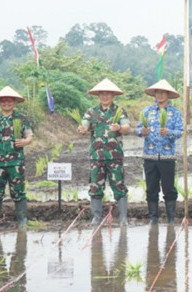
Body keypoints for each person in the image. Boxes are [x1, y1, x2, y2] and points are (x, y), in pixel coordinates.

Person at [78, 78, 131, 226]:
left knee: (119, 186)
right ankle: (96, 217)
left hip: (114, 157)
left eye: (108, 93)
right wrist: (82, 129)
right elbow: (84, 124)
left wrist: (119, 128)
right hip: (96, 157)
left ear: (113, 95)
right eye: (102, 93)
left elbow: (127, 127)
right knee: (95, 186)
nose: (105, 96)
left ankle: (123, 218)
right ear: (98, 95)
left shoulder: (119, 111)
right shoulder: (91, 112)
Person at [136, 79, 184, 225]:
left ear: (168, 95)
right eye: (158, 92)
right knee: (151, 188)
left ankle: (170, 218)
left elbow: (180, 132)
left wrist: (168, 132)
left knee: (169, 188)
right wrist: (142, 131)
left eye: (163, 92)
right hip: (149, 156)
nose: (161, 95)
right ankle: (153, 218)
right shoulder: (147, 112)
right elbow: (138, 130)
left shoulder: (175, 113)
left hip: (167, 156)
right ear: (154, 94)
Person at [0, 86, 33, 226]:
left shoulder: (21, 118)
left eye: (9, 101)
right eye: (3, 101)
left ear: (14, 102)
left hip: (16, 163)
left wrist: (24, 141)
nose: (6, 103)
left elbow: (30, 136)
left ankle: (22, 221)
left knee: (18, 192)